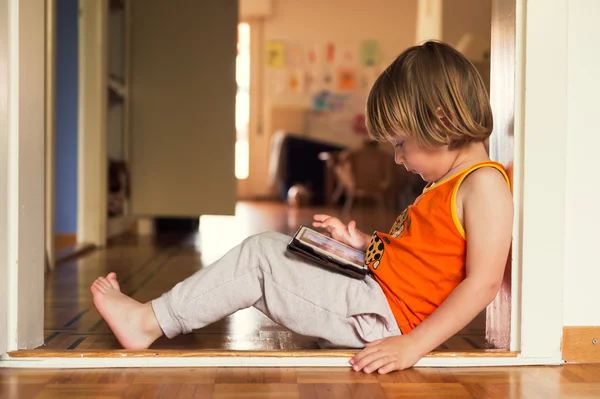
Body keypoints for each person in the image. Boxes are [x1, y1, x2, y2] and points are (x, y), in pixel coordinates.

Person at [90, 40, 513, 374]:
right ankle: (155, 317)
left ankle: (149, 322)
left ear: (439, 122)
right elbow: (423, 261)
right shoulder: (449, 183)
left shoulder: (484, 185)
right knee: (280, 248)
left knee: (260, 258)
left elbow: (483, 284)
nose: (399, 159)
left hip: (385, 317)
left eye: (401, 144)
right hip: (377, 298)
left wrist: (412, 346)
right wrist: (361, 244)